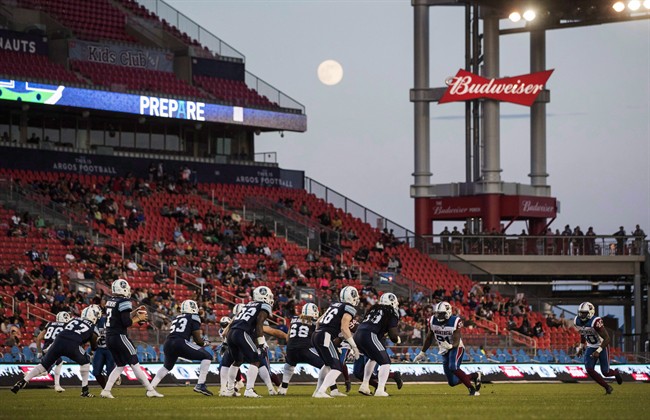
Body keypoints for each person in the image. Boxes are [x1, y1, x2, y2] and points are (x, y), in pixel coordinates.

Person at [12, 305, 102, 397]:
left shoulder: (74, 320)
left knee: (43, 365)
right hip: (72, 343)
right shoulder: (93, 326)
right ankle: (85, 391)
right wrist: (94, 349)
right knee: (86, 361)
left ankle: (23, 381)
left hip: (58, 340)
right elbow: (93, 342)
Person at [101, 279, 163, 398]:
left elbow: (119, 317)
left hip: (109, 337)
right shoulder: (124, 301)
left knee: (120, 365)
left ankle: (106, 390)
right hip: (120, 336)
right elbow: (126, 322)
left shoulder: (111, 300)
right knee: (135, 364)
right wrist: (138, 318)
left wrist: (134, 312)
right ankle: (150, 390)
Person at [413, 301, 481, 396]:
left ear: (448, 312)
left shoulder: (455, 321)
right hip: (444, 350)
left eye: (441, 314)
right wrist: (422, 352)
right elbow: (429, 337)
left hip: (456, 348)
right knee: (452, 382)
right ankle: (475, 375)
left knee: (453, 367)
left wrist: (452, 346)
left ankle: (472, 390)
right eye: (437, 313)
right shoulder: (432, 320)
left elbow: (457, 339)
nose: (438, 316)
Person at [150, 300, 213, 396]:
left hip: (168, 342)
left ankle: (151, 389)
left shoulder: (177, 317)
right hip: (180, 342)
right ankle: (200, 384)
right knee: (207, 356)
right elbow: (198, 340)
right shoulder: (194, 317)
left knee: (167, 366)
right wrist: (204, 343)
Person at [224, 286, 274, 398]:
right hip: (242, 332)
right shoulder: (264, 305)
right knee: (256, 359)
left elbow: (234, 321)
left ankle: (229, 390)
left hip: (231, 332)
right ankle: (249, 390)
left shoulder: (248, 304)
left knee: (237, 361)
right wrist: (261, 342)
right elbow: (259, 323)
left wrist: (226, 340)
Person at [311, 286, 360, 398]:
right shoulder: (349, 308)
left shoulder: (334, 305)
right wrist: (354, 347)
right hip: (324, 335)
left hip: (317, 334)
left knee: (328, 364)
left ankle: (318, 390)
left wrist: (321, 335)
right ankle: (321, 391)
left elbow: (318, 321)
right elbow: (344, 328)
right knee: (337, 366)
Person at [355, 292, 401, 397]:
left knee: (373, 358)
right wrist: (397, 339)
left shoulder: (374, 309)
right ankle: (380, 389)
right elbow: (393, 334)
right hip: (369, 335)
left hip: (358, 334)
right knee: (386, 362)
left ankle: (364, 385)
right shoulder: (391, 311)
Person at [278, 303, 328, 395]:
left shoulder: (294, 319)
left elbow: (288, 337)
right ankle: (328, 390)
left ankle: (283, 389)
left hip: (291, 348)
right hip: (305, 349)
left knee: (289, 365)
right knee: (327, 365)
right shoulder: (316, 321)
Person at [573, 302, 623, 394]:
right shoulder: (577, 321)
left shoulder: (595, 322)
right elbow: (583, 333)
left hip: (602, 346)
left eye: (584, 313)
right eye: (581, 312)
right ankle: (607, 387)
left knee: (605, 372)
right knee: (589, 369)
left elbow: (607, 339)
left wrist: (598, 350)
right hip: (590, 346)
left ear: (590, 312)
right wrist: (581, 346)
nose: (582, 315)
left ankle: (615, 373)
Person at [34, 311, 71, 392]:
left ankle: (57, 386)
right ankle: (29, 376)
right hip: (54, 347)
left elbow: (39, 338)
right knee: (45, 370)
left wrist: (39, 352)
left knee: (59, 362)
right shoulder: (66, 326)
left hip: (47, 346)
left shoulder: (50, 324)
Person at [92, 307, 118, 389]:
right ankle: (105, 388)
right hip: (99, 349)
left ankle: (108, 388)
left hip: (110, 349)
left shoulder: (106, 321)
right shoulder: (90, 324)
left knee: (110, 372)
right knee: (96, 372)